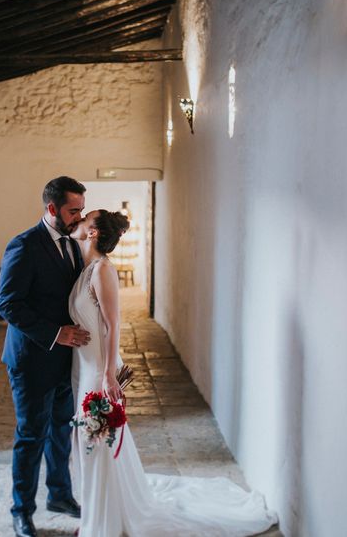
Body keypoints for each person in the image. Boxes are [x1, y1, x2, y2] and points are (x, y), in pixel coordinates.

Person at [69, 209, 279, 537]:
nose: (80, 220)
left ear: (93, 232)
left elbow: (113, 324)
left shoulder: (102, 271)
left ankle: (103, 521)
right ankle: (100, 513)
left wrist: (109, 374)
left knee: (97, 439)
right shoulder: (85, 269)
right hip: (83, 366)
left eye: (86, 219)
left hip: (98, 370)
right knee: (93, 442)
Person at [0, 176, 92, 537]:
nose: (79, 217)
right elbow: (7, 303)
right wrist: (56, 333)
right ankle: (21, 510)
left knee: (60, 431)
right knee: (31, 435)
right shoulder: (24, 245)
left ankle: (60, 495)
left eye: (81, 209)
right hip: (31, 360)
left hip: (64, 360)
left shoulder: (74, 245)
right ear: (52, 208)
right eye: (73, 210)